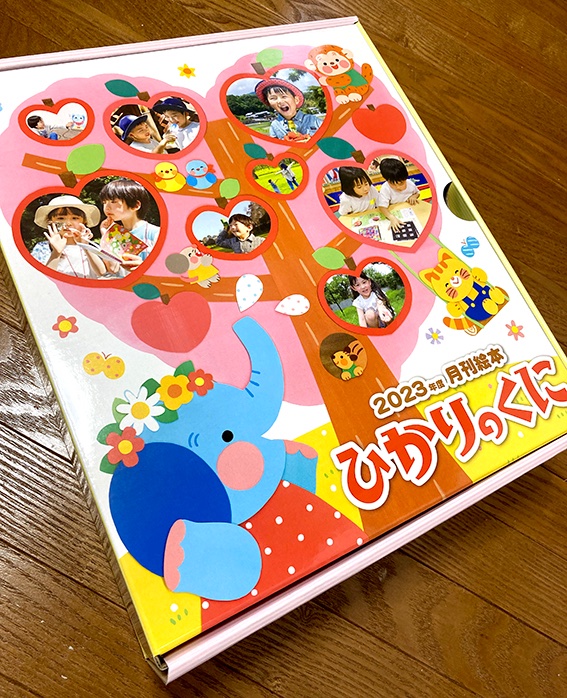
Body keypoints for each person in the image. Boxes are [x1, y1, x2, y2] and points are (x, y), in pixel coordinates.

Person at [34, 195, 106, 278]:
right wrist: (56, 253)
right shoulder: (42, 248)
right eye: (61, 218)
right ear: (50, 222)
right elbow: (42, 279)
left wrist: (86, 246)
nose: (68, 223)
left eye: (75, 218)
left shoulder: (92, 247)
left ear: (84, 221)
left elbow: (101, 272)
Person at [99, 178, 159, 271]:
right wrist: (106, 234)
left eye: (113, 202)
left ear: (135, 205)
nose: (107, 207)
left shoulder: (155, 234)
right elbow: (112, 269)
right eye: (104, 202)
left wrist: (143, 268)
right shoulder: (114, 234)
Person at [255, 77, 322, 142]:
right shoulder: (275, 126)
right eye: (273, 98)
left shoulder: (314, 120)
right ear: (269, 103)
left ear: (296, 100)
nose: (280, 101)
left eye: (284, 96)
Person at [378, 158, 420, 231]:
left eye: (401, 183)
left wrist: (414, 196)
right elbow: (382, 207)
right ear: (387, 180)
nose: (398, 187)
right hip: (393, 213)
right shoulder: (385, 188)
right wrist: (392, 217)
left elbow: (417, 193)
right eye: (392, 184)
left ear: (405, 178)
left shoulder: (410, 184)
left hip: (409, 211)